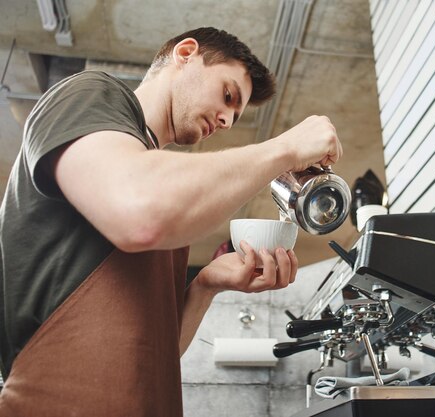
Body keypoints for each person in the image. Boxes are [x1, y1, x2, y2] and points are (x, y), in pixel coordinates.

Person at [0, 27, 343, 416]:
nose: (228, 119)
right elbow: (141, 214)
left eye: (235, 113)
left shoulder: (165, 191)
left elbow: (155, 353)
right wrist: (286, 148)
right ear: (185, 54)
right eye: (228, 95)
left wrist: (206, 285)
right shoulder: (91, 94)